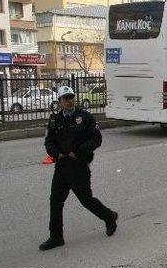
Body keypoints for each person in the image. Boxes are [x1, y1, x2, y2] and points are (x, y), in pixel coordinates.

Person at [40, 86, 118, 251]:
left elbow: (96, 139)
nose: (69, 101)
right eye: (65, 98)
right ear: (59, 102)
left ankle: (109, 216)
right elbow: (49, 141)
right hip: (62, 167)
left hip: (79, 166)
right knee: (55, 201)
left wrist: (79, 152)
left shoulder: (85, 117)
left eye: (71, 97)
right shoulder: (55, 120)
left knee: (86, 200)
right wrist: (56, 154)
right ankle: (56, 237)